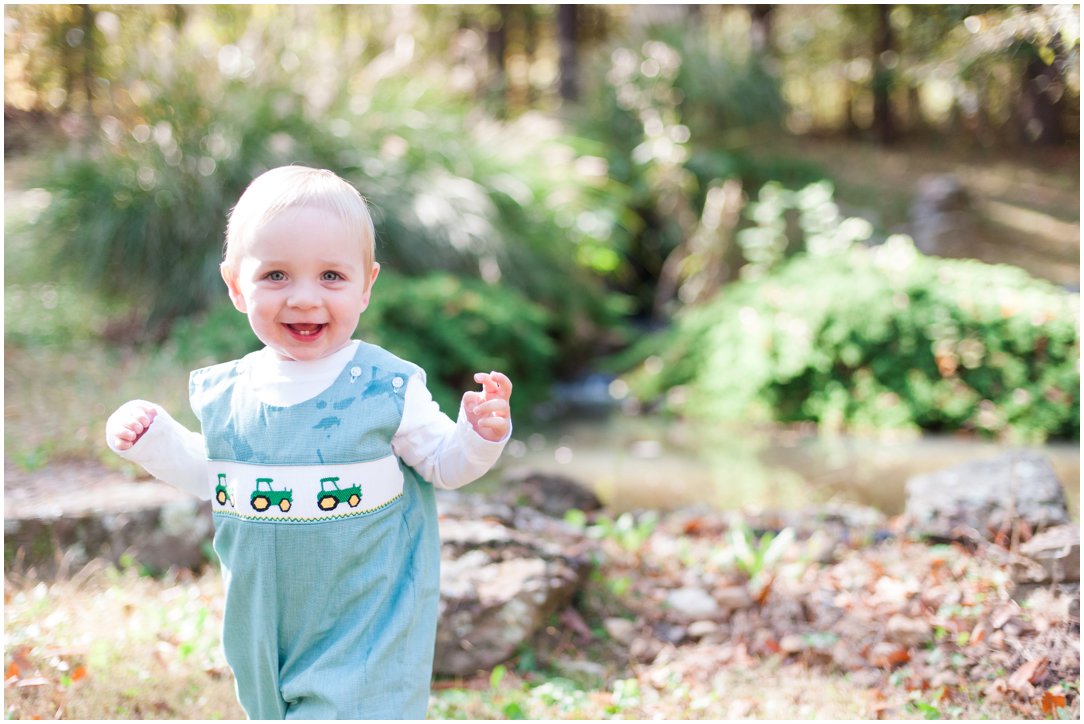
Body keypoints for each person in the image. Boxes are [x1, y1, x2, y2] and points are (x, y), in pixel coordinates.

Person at [105, 165, 513, 719]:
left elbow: (444, 464)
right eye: (275, 276)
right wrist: (153, 439)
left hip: (365, 624)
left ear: (366, 285)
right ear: (235, 286)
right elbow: (213, 477)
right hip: (262, 624)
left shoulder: (386, 387)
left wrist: (479, 434)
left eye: (330, 277)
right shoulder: (228, 393)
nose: (303, 298)